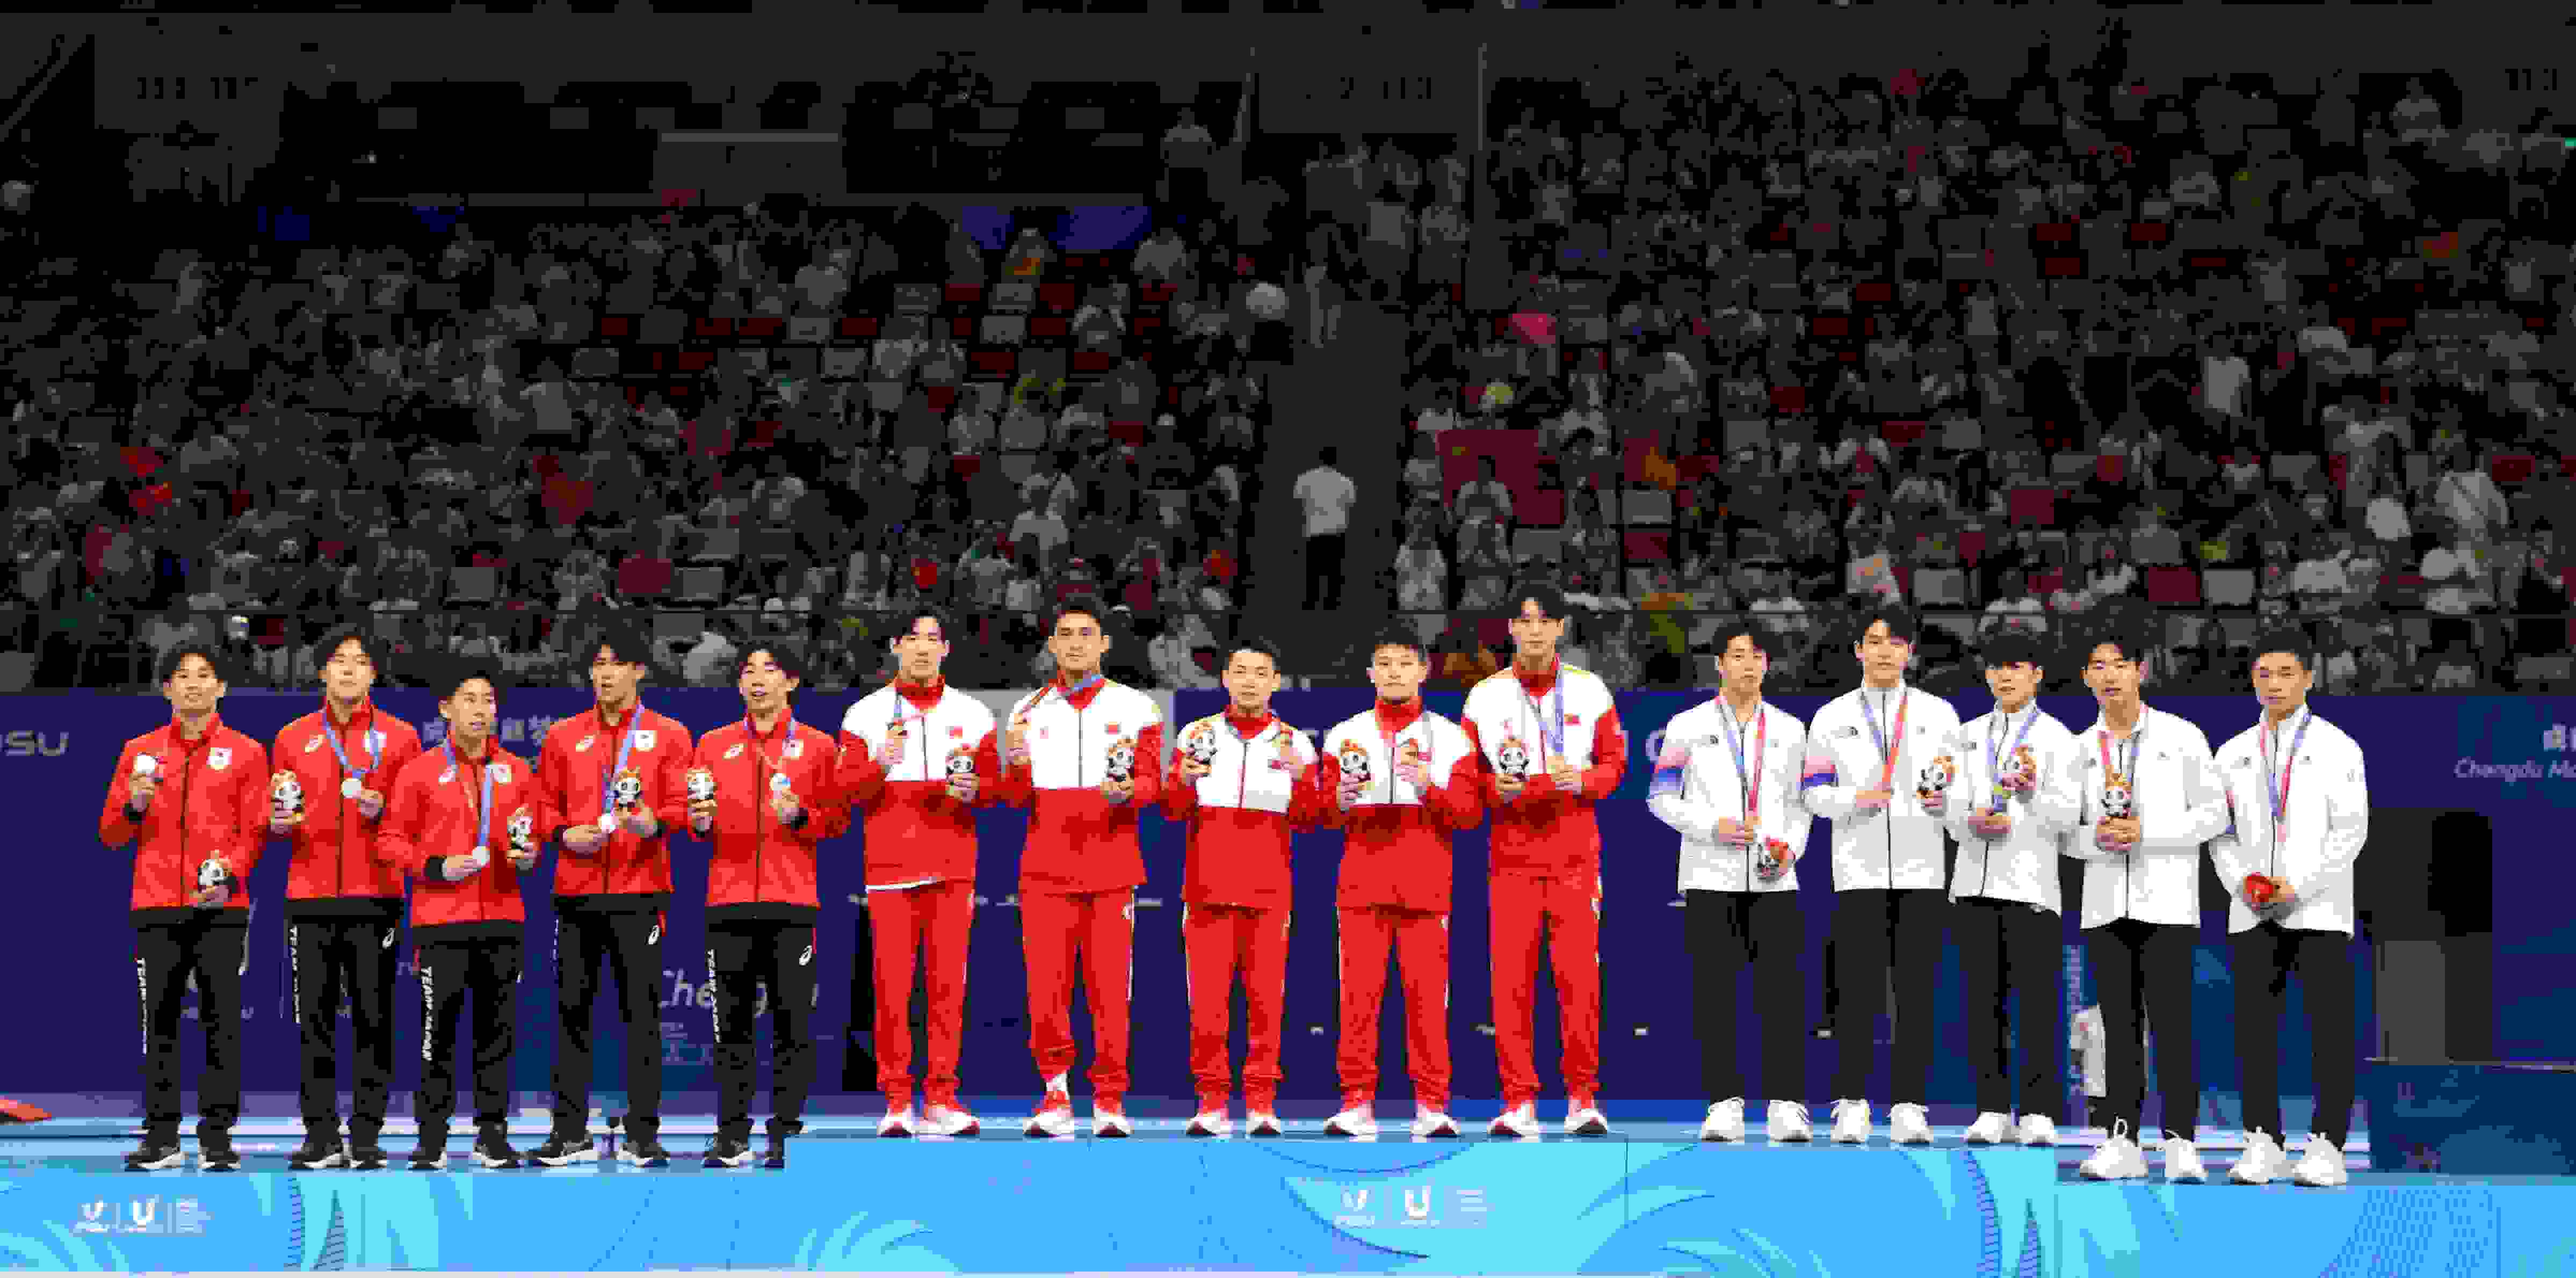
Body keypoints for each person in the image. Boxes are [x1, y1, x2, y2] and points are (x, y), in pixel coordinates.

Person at [1460, 584, 1629, 1138]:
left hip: (1574, 854)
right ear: (1510, 628)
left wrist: (1581, 779)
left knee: (1578, 981)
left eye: (1544, 620)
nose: (1534, 630)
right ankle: (1519, 1102)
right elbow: (1467, 776)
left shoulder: (1590, 690)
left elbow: (1615, 766)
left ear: (1560, 628)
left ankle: (1582, 1099)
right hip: (1511, 855)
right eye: (1524, 620)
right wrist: (1494, 788)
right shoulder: (1484, 696)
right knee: (1511, 983)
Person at [994, 596, 1166, 1137]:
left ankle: (1110, 1099)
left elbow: (1153, 785)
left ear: (1104, 644)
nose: (1075, 644)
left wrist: (1128, 792)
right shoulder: (1025, 712)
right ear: (1051, 645)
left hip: (1112, 869)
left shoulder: (1138, 708)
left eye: (1085, 634)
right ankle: (1055, 1095)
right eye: (1065, 634)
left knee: (1110, 992)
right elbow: (1012, 798)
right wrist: (1017, 763)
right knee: (1046, 992)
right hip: (1044, 871)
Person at [1797, 605, 1964, 1145]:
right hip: (1857, 869)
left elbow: (1959, 790)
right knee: (1856, 992)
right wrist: (1856, 798)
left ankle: (1910, 1105)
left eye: (1894, 642)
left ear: (1909, 651)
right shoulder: (1830, 717)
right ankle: (1851, 1103)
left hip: (1922, 869)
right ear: (1858, 651)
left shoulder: (1939, 714)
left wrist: (1945, 804)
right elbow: (1813, 794)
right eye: (1874, 641)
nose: (1884, 651)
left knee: (1915, 993)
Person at [529, 622, 694, 1168]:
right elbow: (541, 807)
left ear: (638, 670)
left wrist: (653, 823)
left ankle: (642, 1133)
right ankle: (569, 1131)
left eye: (615, 663)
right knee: (571, 1014)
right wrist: (562, 835)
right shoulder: (562, 736)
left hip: (639, 891)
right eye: (597, 664)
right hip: (576, 894)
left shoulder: (669, 734)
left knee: (641, 1017)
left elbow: (682, 809)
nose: (604, 674)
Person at [100, 645, 271, 1172]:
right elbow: (111, 834)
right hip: (156, 906)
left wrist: (229, 877)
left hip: (221, 908)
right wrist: (134, 804)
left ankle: (217, 1137)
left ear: (221, 688)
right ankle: (162, 1136)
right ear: (166, 689)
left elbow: (255, 831)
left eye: (204, 675)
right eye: (182, 676)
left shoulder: (246, 752)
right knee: (159, 1024)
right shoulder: (139, 751)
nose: (193, 684)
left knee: (223, 1023)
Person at [2209, 632, 2369, 1188]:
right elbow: (2219, 832)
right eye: (2263, 674)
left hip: (2319, 910)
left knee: (2329, 1031)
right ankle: (2263, 1141)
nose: (2273, 684)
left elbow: (2350, 831)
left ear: (2307, 678)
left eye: (2284, 673)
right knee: (2254, 1032)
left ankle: (2328, 1144)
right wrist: (2245, 884)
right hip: (2253, 910)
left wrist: (2295, 886)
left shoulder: (2338, 747)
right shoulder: (2231, 752)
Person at [2066, 631, 2228, 1183]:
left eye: (2119, 664)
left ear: (2140, 669)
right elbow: (2062, 830)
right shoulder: (2077, 750)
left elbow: (2213, 815)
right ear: (2085, 677)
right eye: (2097, 666)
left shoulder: (2182, 737)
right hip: (2105, 905)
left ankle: (2181, 1141)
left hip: (2167, 903)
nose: (2109, 675)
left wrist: (2147, 832)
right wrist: (2096, 838)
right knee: (2118, 1029)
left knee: (2172, 1026)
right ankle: (2122, 1140)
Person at [1646, 626, 1815, 1144]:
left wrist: (1790, 849)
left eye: (1756, 656)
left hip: (1775, 880)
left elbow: (1804, 803)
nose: (1747, 665)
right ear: (1719, 664)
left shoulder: (1792, 729)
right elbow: (1660, 797)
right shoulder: (1687, 726)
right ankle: (1723, 1103)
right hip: (1708, 876)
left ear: (1767, 665)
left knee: (1782, 995)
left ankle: (1786, 1104)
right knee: (1716, 994)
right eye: (1737, 655)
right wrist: (1710, 826)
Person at [835, 609, 1000, 1139]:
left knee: (947, 989)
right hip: (890, 870)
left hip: (953, 866)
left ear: (946, 649)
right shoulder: (864, 714)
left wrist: (975, 790)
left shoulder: (974, 714)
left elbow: (996, 788)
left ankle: (942, 1098)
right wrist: (880, 763)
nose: (923, 648)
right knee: (892, 989)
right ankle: (897, 1100)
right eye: (913, 638)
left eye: (933, 639)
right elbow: (847, 790)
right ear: (896, 646)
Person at [378, 655, 545, 1171]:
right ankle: (432, 1138)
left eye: (488, 701)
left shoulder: (517, 771)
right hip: (441, 923)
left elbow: (532, 840)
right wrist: (436, 866)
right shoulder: (419, 771)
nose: (479, 710)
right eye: (468, 700)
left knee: (498, 1035)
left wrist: (528, 856)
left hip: (502, 918)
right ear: (445, 708)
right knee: (439, 1035)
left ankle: (492, 1136)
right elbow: (389, 842)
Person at [685, 645, 850, 1167]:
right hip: (728, 902)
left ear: (791, 682)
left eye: (770, 670)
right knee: (730, 1027)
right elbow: (696, 820)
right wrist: (699, 822)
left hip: (792, 902)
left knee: (791, 1025)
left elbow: (837, 820)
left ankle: (785, 1132)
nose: (758, 680)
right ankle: (731, 1134)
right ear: (739, 685)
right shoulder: (712, 744)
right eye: (748, 672)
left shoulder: (818, 746)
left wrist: (800, 816)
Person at [1315, 629, 1481, 1139]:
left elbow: (1469, 815)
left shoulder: (1451, 738)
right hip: (1362, 887)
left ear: (1423, 671)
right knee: (1357, 1003)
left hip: (1425, 887)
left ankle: (1432, 1106)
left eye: (1404, 663)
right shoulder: (1344, 735)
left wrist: (1429, 786)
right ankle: (1356, 1104)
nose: (1394, 672)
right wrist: (1339, 801)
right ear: (1370, 673)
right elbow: (1320, 814)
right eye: (1384, 663)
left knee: (1428, 1004)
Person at [270, 628, 426, 1170]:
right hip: (309, 895)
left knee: (373, 1019)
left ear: (373, 674)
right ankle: (320, 1135)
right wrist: (278, 821)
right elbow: (279, 813)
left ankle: (365, 1134)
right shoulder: (292, 738)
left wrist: (386, 811)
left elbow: (418, 822)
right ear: (323, 671)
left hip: (376, 895)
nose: (348, 670)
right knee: (312, 1021)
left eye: (360, 662)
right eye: (339, 660)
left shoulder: (401, 738)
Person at [1164, 637, 1327, 1138]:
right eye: (1241, 672)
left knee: (1266, 1003)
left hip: (1268, 892)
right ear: (1226, 679)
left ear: (1275, 682)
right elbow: (1172, 810)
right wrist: (1182, 781)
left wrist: (1303, 779)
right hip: (1206, 890)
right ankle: (1212, 1102)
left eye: (1260, 673)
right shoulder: (1197, 734)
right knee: (1208, 1005)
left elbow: (1313, 820)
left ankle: (1261, 1103)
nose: (1250, 682)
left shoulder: (1295, 743)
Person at [1941, 633, 2080, 1149]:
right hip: (1972, 886)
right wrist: (1969, 821)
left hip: (2031, 888)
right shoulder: (1965, 735)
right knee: (1983, 1006)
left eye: (2016, 667)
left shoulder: (2059, 739)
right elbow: (1947, 805)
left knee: (2037, 1006)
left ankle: (2039, 1111)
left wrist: (2031, 795)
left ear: (2037, 675)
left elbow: (2069, 817)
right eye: (1997, 668)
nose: (2005, 677)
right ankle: (1992, 1109)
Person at [1293, 446, 1357, 611]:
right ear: (1336, 460)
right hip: (1337, 531)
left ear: (1320, 458)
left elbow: (1298, 504)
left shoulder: (1304, 479)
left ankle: (1310, 601)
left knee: (1312, 570)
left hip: (1313, 530)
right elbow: (1350, 506)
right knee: (1335, 570)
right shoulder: (1346, 482)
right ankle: (1332, 602)